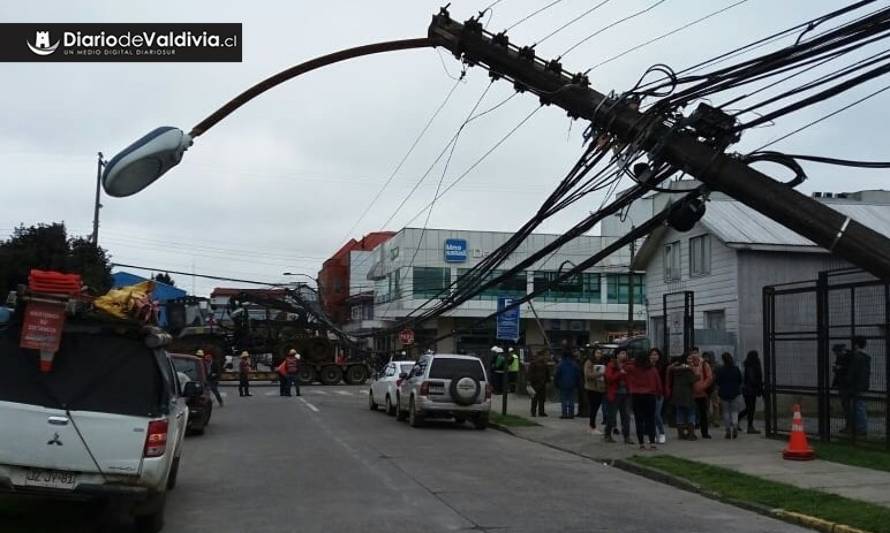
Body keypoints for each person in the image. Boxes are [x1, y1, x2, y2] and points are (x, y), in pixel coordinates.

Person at [625, 351, 663, 450]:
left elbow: (625, 367)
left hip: (636, 395)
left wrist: (631, 361)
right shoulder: (652, 369)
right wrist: (659, 393)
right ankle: (652, 443)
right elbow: (658, 381)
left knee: (639, 420)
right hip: (650, 395)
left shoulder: (633, 368)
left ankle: (641, 443)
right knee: (650, 420)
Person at [666, 352, 698, 440]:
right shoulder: (688, 369)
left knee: (680, 413)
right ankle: (691, 434)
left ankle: (681, 434)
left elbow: (670, 370)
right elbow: (693, 379)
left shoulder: (676, 369)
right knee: (691, 413)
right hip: (687, 394)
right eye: (689, 359)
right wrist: (696, 373)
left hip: (677, 394)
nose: (691, 360)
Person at [844, 336, 871, 436]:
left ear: (856, 345)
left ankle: (861, 429)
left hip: (856, 386)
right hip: (863, 385)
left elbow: (852, 372)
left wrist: (848, 380)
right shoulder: (866, 357)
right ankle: (860, 428)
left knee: (858, 407)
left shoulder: (856, 357)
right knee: (860, 406)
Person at [605, 348, 633, 444]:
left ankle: (627, 437)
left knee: (626, 416)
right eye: (622, 353)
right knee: (612, 416)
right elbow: (609, 378)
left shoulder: (628, 366)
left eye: (625, 353)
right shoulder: (611, 365)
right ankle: (607, 434)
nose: (624, 355)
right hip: (614, 393)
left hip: (626, 394)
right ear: (617, 355)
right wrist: (619, 373)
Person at [715, 352, 743, 439]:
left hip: (724, 393)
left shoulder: (720, 370)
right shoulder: (736, 369)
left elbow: (718, 382)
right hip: (735, 392)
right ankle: (735, 425)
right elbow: (740, 380)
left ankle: (727, 430)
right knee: (735, 412)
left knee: (726, 412)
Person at [689, 348, 713, 439]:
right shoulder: (688, 364)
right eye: (692, 353)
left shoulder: (704, 364)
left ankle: (705, 432)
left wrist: (702, 387)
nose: (694, 355)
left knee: (703, 414)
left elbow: (709, 378)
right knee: (691, 414)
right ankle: (691, 432)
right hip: (691, 393)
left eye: (696, 353)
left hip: (702, 393)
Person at [738, 350, 763, 434]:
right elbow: (753, 379)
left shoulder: (748, 365)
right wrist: (759, 385)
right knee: (750, 409)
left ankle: (737, 420)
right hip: (751, 390)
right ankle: (749, 426)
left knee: (749, 408)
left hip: (747, 390)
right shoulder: (753, 366)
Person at [583, 347, 607, 433]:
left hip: (600, 388)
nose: (599, 355)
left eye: (600, 353)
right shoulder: (589, 362)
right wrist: (600, 373)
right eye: (597, 353)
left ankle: (592, 425)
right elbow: (588, 374)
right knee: (593, 407)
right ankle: (592, 426)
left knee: (596, 407)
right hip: (592, 388)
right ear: (594, 353)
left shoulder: (603, 362)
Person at [554, 352, 581, 419]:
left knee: (564, 400)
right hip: (572, 384)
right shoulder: (575, 365)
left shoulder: (561, 365)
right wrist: (577, 383)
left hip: (562, 384)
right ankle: (571, 414)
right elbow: (578, 375)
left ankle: (564, 414)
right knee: (571, 400)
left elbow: (557, 375)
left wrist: (556, 383)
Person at [649, 348, 667, 444]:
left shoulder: (662, 367)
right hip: (648, 393)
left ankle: (662, 433)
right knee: (650, 415)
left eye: (656, 354)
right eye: (652, 354)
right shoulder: (647, 366)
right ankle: (653, 435)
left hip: (659, 393)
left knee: (657, 414)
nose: (654, 356)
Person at [527, 351, 551, 417]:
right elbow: (530, 373)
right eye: (542, 356)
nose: (543, 357)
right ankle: (534, 412)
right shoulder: (534, 363)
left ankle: (540, 412)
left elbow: (547, 373)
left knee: (541, 399)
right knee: (535, 398)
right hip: (536, 383)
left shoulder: (544, 364)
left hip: (541, 383)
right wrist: (529, 381)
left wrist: (548, 381)